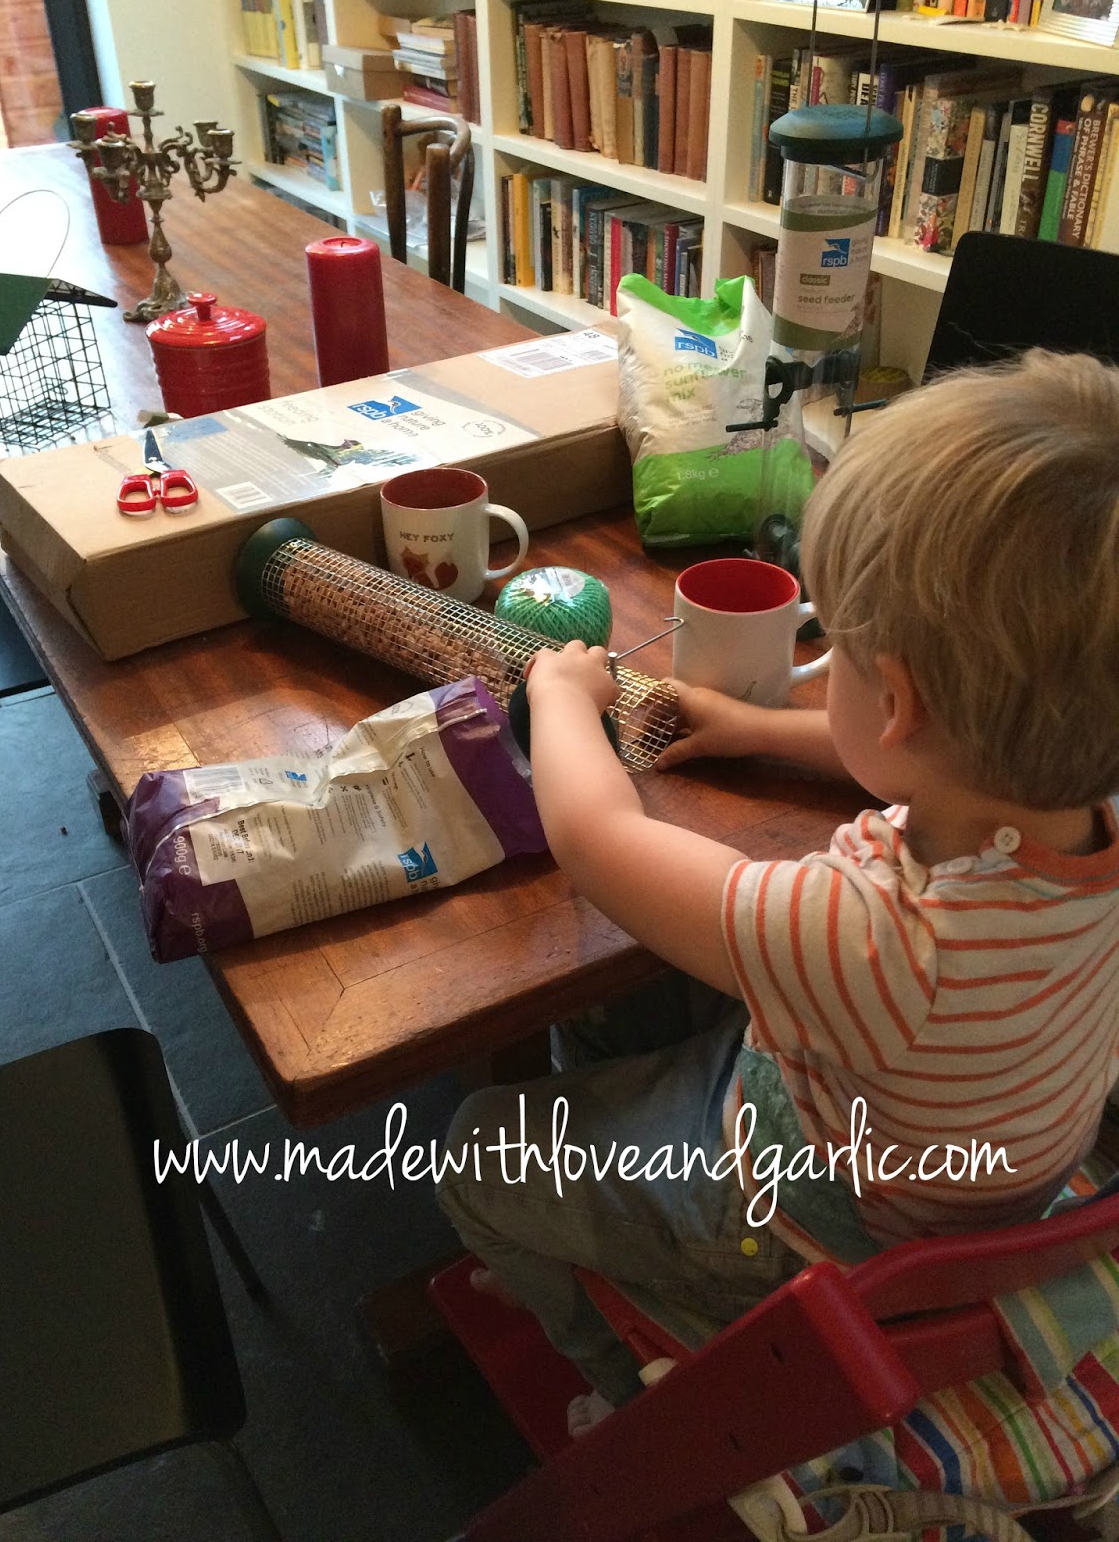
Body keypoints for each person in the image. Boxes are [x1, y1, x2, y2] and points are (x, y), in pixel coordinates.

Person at [437, 349, 1119, 1437]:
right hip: (951, 1177)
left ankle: (626, 1385)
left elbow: (597, 839)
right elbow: (928, 754)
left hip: (795, 1225)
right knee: (636, 1004)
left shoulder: (877, 941)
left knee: (479, 1150)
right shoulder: (1079, 810)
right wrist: (759, 727)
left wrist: (561, 693)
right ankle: (597, 1231)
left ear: (895, 702)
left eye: (835, 647)